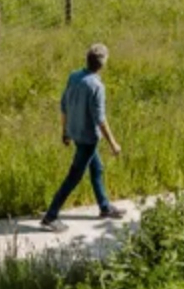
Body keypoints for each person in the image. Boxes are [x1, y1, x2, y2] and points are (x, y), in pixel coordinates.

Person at [40, 43, 124, 232]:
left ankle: (104, 207)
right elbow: (100, 120)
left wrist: (65, 132)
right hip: (88, 139)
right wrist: (113, 144)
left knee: (97, 168)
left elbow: (64, 105)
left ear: (87, 60)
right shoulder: (97, 86)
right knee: (74, 177)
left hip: (75, 132)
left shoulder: (74, 76)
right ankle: (50, 216)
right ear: (103, 64)